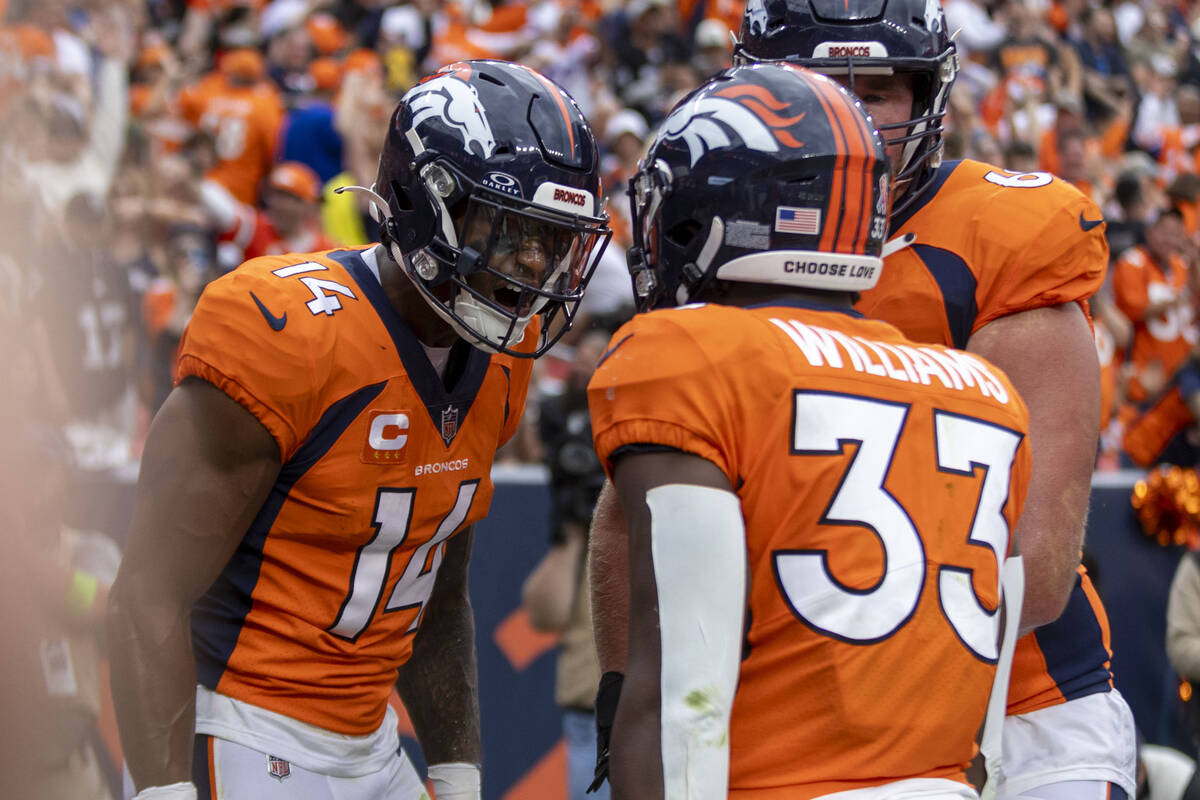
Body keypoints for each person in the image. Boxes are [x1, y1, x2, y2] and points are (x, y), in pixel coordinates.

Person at [586, 0, 1137, 797]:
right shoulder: (725, 232)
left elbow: (1034, 571)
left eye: (874, 90)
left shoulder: (1006, 232)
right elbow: (636, 519)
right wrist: (625, 701)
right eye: (816, 82)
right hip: (800, 711)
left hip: (1020, 703)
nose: (841, 112)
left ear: (927, 98)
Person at [107, 59, 610, 800]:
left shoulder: (502, 364)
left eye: (552, 237)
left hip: (371, 743)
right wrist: (162, 791)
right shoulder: (286, 331)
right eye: (510, 228)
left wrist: (458, 775)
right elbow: (148, 591)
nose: (534, 261)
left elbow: (436, 596)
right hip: (243, 728)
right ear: (423, 197)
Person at [521, 328, 613, 800]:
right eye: (579, 354)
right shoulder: (569, 457)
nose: (580, 364)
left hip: (662, 700)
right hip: (588, 703)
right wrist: (574, 533)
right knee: (584, 730)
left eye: (596, 357)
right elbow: (543, 614)